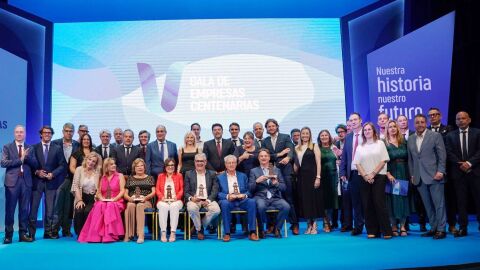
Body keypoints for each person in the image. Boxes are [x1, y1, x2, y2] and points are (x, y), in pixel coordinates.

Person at [407, 114, 447, 239]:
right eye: (417, 122)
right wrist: (412, 174)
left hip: (435, 175)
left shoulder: (435, 136)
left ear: (426, 123)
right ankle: (434, 227)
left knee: (438, 204)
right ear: (414, 124)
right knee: (428, 206)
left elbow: (442, 155)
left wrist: (441, 171)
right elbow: (411, 159)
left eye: (422, 122)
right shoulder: (411, 138)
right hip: (419, 177)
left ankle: (441, 229)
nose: (420, 124)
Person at [353, 122, 392, 239]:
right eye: (365, 130)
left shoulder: (380, 143)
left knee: (379, 203)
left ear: (374, 131)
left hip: (379, 176)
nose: (367, 131)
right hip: (363, 178)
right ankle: (372, 230)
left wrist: (373, 174)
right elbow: (357, 163)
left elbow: (384, 160)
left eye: (369, 129)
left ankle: (386, 230)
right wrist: (365, 176)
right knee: (367, 204)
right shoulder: (360, 146)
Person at [445, 111, 480, 237]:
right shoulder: (450, 136)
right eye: (458, 119)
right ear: (455, 121)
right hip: (458, 174)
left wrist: (469, 163)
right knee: (461, 202)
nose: (461, 120)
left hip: (475, 172)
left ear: (469, 120)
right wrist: (461, 164)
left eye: (463, 118)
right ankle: (463, 227)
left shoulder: (477, 133)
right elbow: (449, 153)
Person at [29, 126, 67, 240]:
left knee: (50, 209)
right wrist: (36, 172)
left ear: (52, 135)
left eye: (49, 133)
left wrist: (53, 174)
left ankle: (48, 232)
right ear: (41, 134)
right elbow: (29, 164)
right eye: (45, 132)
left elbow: (63, 165)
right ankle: (31, 233)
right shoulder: (34, 148)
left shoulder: (57, 148)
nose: (47, 134)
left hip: (52, 182)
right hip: (37, 182)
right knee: (34, 209)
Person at [262, 118, 299, 235]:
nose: (271, 128)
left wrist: (288, 157)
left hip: (286, 171)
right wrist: (279, 154)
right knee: (271, 197)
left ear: (277, 126)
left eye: (273, 126)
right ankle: (272, 225)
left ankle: (294, 224)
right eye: (269, 126)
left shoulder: (285, 137)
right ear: (266, 129)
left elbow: (291, 150)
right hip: (272, 171)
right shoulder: (265, 140)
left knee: (289, 198)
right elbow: (266, 155)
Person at [1, 125, 35, 244]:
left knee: (24, 209)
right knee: (10, 210)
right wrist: (20, 160)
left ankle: (23, 234)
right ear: (14, 134)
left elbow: (35, 164)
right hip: (12, 183)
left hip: (26, 182)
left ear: (25, 134)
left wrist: (27, 158)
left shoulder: (30, 148)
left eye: (21, 132)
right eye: (17, 132)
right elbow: (3, 162)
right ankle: (8, 235)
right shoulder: (7, 147)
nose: (19, 134)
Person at [78, 158, 126, 243]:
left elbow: (122, 191)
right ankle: (95, 236)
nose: (114, 165)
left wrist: (114, 199)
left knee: (110, 206)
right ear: (106, 166)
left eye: (114, 164)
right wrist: (101, 198)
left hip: (116, 201)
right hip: (104, 200)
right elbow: (99, 192)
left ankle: (109, 235)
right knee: (99, 205)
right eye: (111, 164)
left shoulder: (120, 176)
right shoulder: (102, 177)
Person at [249, 149, 290, 238]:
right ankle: (260, 229)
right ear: (258, 158)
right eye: (261, 156)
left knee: (286, 206)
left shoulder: (276, 170)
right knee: (261, 206)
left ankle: (277, 229)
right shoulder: (254, 171)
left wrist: (277, 183)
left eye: (265, 156)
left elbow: (283, 188)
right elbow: (250, 189)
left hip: (275, 197)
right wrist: (256, 181)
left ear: (269, 158)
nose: (263, 158)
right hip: (260, 197)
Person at [428, 107, 456, 233]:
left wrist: (442, 168)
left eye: (435, 114)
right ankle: (436, 225)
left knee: (449, 198)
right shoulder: (426, 130)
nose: (433, 117)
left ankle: (451, 224)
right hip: (430, 170)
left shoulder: (448, 129)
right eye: (431, 115)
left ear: (440, 116)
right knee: (433, 199)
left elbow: (449, 148)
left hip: (446, 169)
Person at [217, 155, 258, 242]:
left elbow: (249, 190)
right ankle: (227, 233)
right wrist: (227, 196)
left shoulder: (243, 176)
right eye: (229, 163)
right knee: (224, 203)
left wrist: (244, 195)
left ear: (236, 164)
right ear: (225, 164)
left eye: (233, 163)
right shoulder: (219, 177)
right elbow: (217, 193)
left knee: (252, 202)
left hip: (242, 199)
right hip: (228, 201)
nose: (231, 165)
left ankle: (252, 232)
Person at [52, 122, 80, 237]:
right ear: (63, 131)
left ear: (73, 132)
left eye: (71, 131)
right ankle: (54, 230)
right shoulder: (55, 144)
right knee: (57, 205)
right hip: (57, 179)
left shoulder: (77, 145)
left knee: (68, 206)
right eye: (67, 131)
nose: (69, 133)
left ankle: (66, 230)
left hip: (71, 178)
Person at [184, 153, 221, 240]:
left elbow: (215, 190)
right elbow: (186, 191)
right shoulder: (189, 174)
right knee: (192, 208)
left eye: (201, 161)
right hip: (194, 200)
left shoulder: (212, 174)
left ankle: (199, 226)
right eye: (197, 161)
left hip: (207, 199)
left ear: (205, 162)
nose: (199, 163)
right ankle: (200, 229)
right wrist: (191, 198)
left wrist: (208, 201)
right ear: (194, 162)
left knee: (216, 210)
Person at [339, 113, 365, 236]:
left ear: (360, 120)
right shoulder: (348, 137)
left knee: (368, 200)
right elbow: (344, 156)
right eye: (351, 120)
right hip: (353, 173)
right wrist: (343, 172)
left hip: (367, 172)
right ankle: (358, 226)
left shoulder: (367, 133)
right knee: (356, 202)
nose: (353, 122)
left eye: (355, 119)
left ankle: (372, 226)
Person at [294, 127, 323, 234]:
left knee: (313, 201)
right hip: (302, 178)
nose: (305, 135)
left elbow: (318, 163)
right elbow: (296, 165)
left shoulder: (314, 146)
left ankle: (314, 225)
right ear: (300, 135)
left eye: (307, 133)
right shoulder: (297, 148)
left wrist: (318, 177)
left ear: (310, 135)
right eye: (303, 133)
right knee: (304, 201)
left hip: (313, 177)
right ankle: (308, 225)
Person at [384, 120, 410, 236]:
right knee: (392, 200)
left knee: (403, 198)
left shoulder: (404, 141)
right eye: (390, 127)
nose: (393, 128)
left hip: (403, 172)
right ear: (387, 129)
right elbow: (382, 161)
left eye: (395, 126)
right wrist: (388, 174)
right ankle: (394, 225)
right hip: (391, 173)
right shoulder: (384, 143)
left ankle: (403, 226)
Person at [124, 158, 155, 244]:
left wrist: (146, 198)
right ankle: (129, 234)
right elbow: (125, 193)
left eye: (141, 165)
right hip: (132, 200)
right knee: (130, 205)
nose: (140, 167)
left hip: (146, 201)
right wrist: (129, 199)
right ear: (134, 168)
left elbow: (154, 192)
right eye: (137, 166)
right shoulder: (130, 178)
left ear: (144, 167)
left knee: (140, 206)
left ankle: (141, 235)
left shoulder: (150, 178)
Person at [71, 152, 102, 236]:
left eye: (94, 161)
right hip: (81, 196)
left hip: (93, 197)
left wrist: (97, 196)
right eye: (90, 160)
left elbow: (99, 186)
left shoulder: (98, 171)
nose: (91, 162)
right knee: (79, 210)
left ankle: (88, 233)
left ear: (96, 163)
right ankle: (79, 234)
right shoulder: (79, 169)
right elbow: (76, 186)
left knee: (87, 211)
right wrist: (79, 200)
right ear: (86, 159)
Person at [156, 158, 184, 242]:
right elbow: (157, 189)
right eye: (168, 165)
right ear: (165, 167)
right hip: (163, 200)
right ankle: (163, 232)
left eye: (172, 165)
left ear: (174, 166)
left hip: (176, 200)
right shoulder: (160, 176)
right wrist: (162, 197)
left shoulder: (179, 175)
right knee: (163, 206)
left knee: (174, 206)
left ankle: (173, 232)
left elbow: (182, 189)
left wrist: (177, 197)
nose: (170, 167)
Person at [318, 130, 340, 232]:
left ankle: (333, 222)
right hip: (322, 177)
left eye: (326, 135)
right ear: (319, 137)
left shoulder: (334, 147)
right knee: (324, 200)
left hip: (334, 176)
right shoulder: (317, 149)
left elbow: (340, 160)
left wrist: (340, 159)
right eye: (322, 135)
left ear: (329, 136)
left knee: (334, 200)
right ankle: (326, 222)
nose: (324, 137)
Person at [333, 124, 347, 230]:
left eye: (342, 131)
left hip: (348, 174)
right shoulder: (336, 144)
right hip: (337, 174)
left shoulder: (350, 142)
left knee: (346, 200)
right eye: (338, 132)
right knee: (338, 199)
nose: (340, 134)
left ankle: (346, 223)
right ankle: (337, 222)